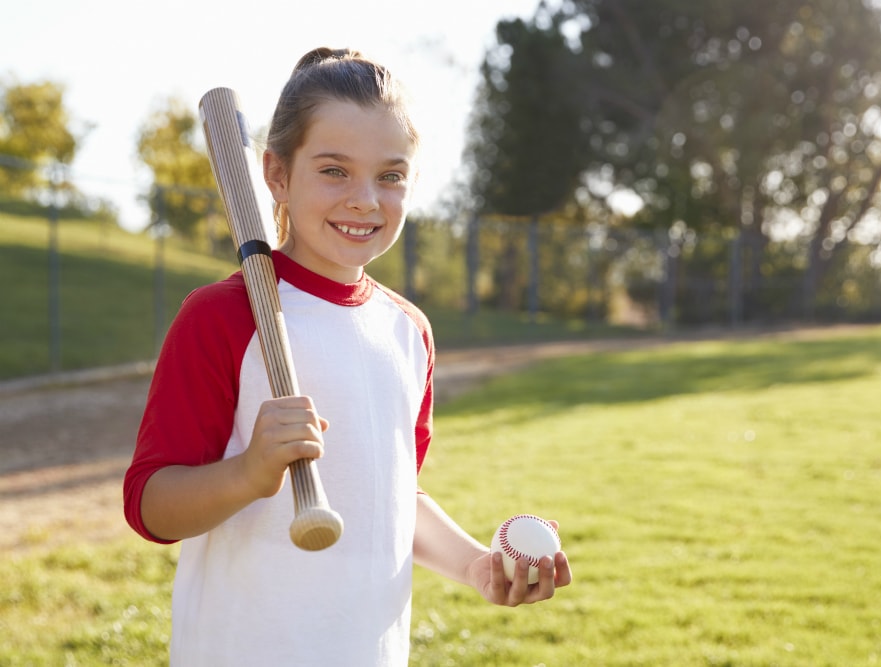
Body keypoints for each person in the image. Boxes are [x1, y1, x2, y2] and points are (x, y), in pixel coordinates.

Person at [123, 47, 572, 666]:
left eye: (390, 175)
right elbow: (152, 505)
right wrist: (250, 472)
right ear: (276, 174)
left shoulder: (407, 331)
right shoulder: (224, 317)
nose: (365, 199)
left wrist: (475, 565)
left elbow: (395, 497)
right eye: (334, 170)